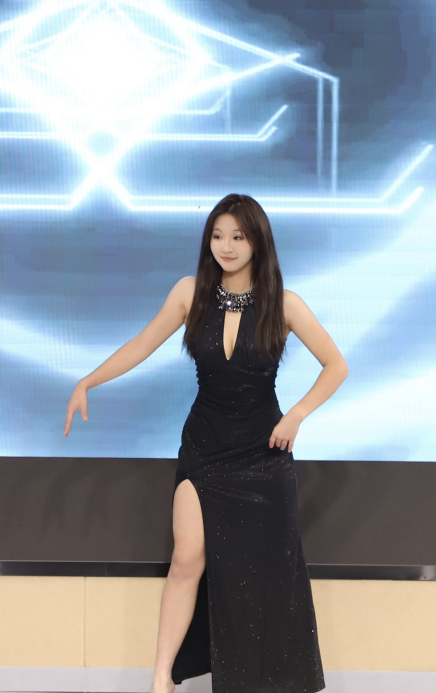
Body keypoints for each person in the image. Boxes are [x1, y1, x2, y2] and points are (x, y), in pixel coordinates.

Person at [64, 194, 347, 693]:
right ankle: (161, 677)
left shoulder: (284, 303)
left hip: (264, 457)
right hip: (205, 449)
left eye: (238, 236)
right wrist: (88, 381)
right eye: (218, 235)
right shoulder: (188, 293)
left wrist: (297, 415)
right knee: (186, 558)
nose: (226, 246)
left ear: (257, 241)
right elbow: (141, 344)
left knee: (264, 579)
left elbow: (336, 365)